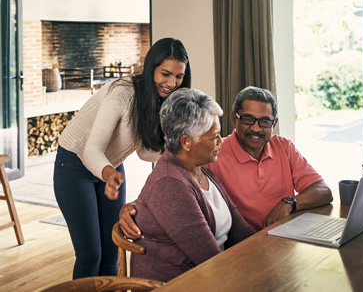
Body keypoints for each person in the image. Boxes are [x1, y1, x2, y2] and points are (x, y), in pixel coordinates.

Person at [53, 37, 191, 279]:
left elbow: (144, 151)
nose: (172, 83)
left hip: (112, 169)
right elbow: (91, 150)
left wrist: (179, 151)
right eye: (165, 74)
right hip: (75, 164)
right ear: (151, 69)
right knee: (90, 255)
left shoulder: (164, 101)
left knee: (112, 252)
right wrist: (109, 174)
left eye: (178, 76)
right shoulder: (122, 93)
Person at [120, 86, 332, 237]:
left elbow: (323, 191)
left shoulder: (283, 146)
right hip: (241, 245)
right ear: (234, 118)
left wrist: (289, 203)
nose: (256, 128)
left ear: (274, 123)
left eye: (265, 121)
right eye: (248, 119)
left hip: (284, 240)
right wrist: (133, 207)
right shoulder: (212, 152)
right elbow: (169, 185)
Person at [130, 88, 254, 282]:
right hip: (179, 284)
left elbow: (242, 232)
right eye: (214, 137)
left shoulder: (202, 171)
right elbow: (208, 258)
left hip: (209, 276)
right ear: (186, 142)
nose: (221, 142)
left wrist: (268, 254)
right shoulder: (170, 185)